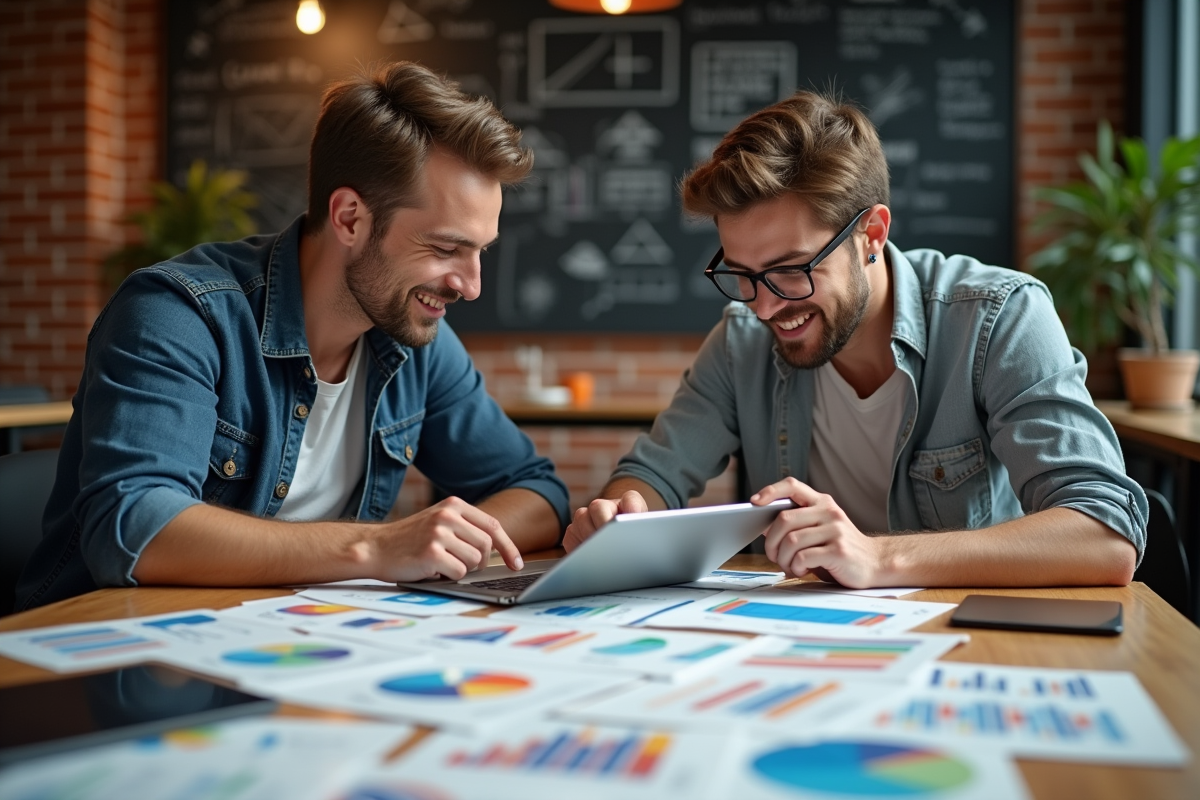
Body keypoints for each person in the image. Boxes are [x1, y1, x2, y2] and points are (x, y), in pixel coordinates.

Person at [16, 62, 568, 611]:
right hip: (106, 649)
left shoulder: (412, 340)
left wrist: (458, 540)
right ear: (350, 218)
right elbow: (132, 526)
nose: (471, 287)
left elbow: (538, 492)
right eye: (446, 249)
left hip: (290, 642)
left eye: (481, 251)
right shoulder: (181, 314)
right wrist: (376, 546)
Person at [564, 90, 1145, 588]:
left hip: (966, 639)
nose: (765, 305)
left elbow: (1105, 534)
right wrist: (626, 510)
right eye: (741, 275)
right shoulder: (742, 339)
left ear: (871, 233)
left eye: (792, 270)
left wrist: (878, 556)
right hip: (802, 648)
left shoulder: (999, 318)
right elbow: (657, 473)